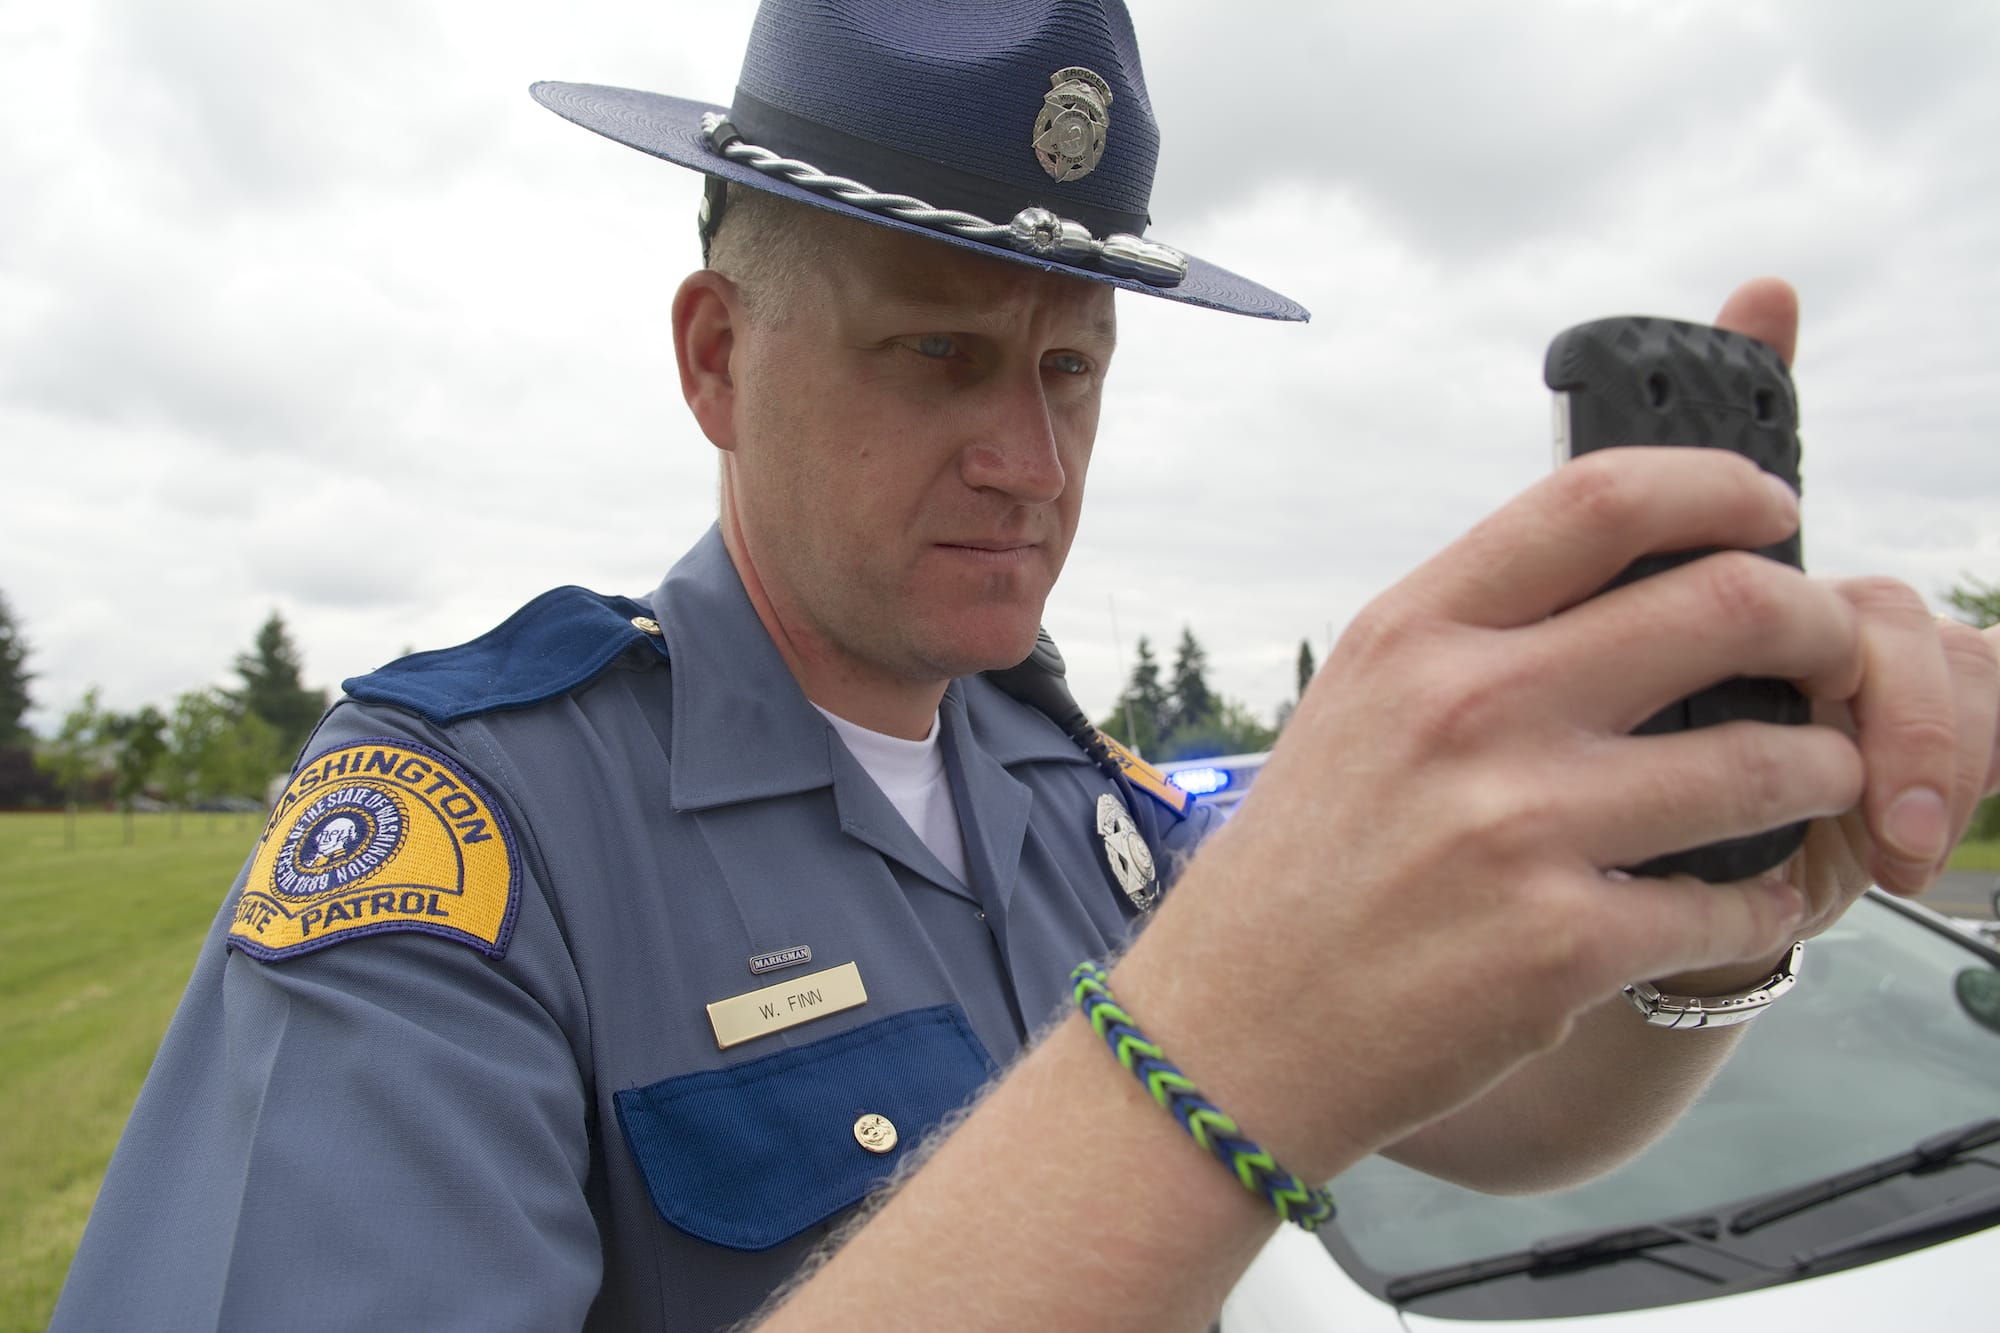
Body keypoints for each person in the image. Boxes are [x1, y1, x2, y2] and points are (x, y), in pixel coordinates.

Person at [53, 3, 2000, 1331]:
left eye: (1071, 367)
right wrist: (1208, 1052)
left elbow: (1504, 1127)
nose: (1028, 454)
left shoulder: (1085, 803)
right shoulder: (472, 827)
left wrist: (1725, 919)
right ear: (717, 357)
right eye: (937, 355)